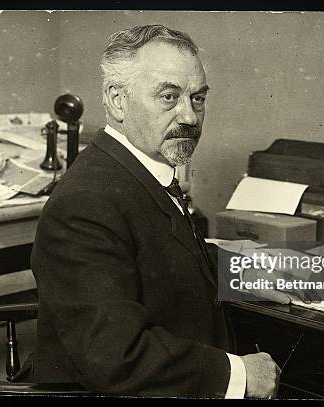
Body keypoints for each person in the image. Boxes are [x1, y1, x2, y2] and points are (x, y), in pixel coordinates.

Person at [30, 24, 279, 398]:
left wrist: (247, 272)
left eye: (198, 98)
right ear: (117, 101)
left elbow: (161, 254)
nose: (190, 117)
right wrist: (238, 374)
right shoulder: (84, 204)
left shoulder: (136, 170)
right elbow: (117, 358)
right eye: (168, 97)